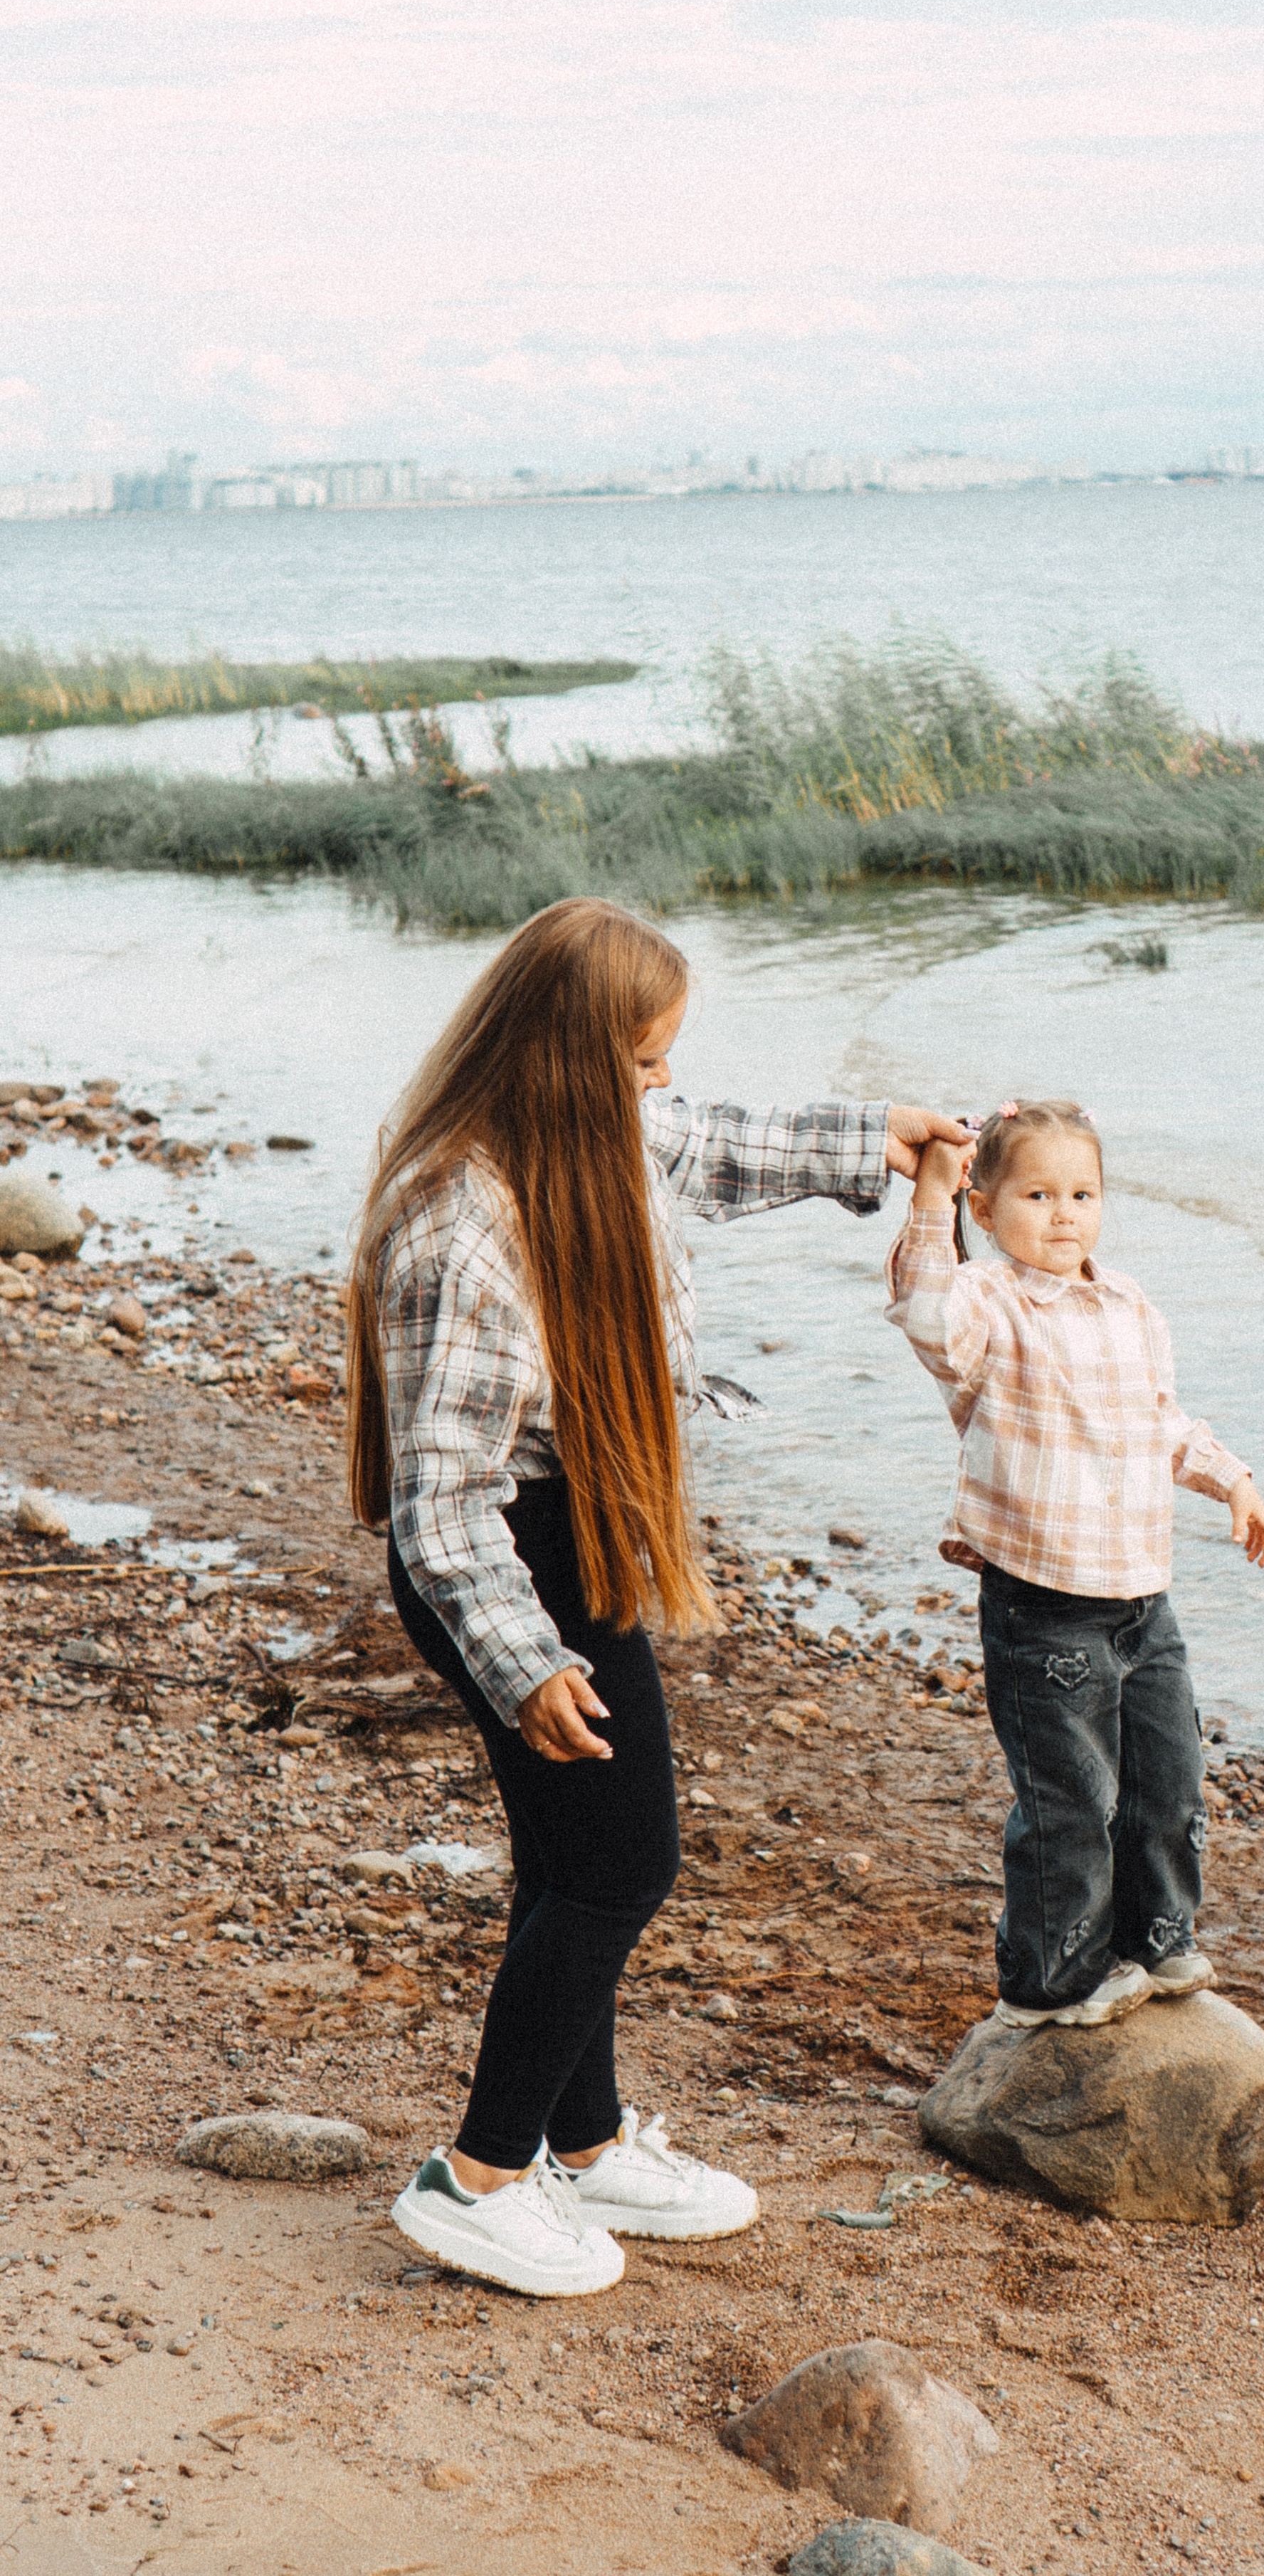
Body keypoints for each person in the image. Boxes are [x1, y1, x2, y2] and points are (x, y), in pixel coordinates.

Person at [344, 895, 964, 2296]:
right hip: (510, 1559)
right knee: (624, 1863)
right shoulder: (464, 1228)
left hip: (577, 1536)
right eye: (642, 1058)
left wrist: (882, 1139)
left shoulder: (581, 1133)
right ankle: (481, 2175)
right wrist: (525, 1660)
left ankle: (585, 2131)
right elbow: (440, 1503)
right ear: (570, 1060)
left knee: (571, 1860)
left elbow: (711, 1143)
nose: (662, 1082)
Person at [885, 1098, 1264, 2029]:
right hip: (1043, 1603)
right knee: (1073, 1804)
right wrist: (930, 1203)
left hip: (1143, 1602)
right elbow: (924, 1315)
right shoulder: (988, 1302)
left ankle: (1156, 1938)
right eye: (1036, 1194)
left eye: (1082, 1193)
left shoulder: (1130, 1305)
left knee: (1167, 1782)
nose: (1064, 1214)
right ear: (986, 1212)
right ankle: (1049, 1980)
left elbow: (1160, 1423)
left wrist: (1234, 1481)